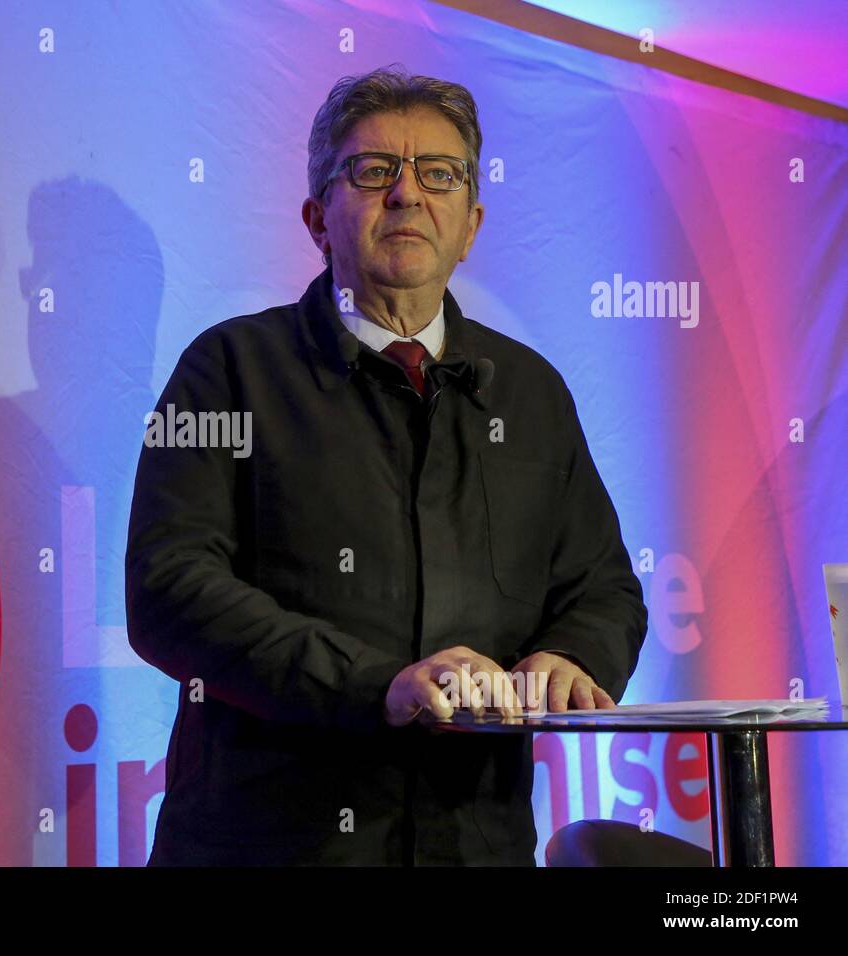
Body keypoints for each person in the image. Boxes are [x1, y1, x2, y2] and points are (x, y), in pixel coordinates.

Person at [124, 66, 647, 866]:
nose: (408, 194)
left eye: (440, 175)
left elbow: (603, 586)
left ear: (471, 224)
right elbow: (168, 589)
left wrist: (570, 656)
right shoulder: (227, 368)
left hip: (476, 843)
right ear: (317, 218)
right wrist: (382, 686)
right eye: (374, 172)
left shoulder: (533, 392)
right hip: (268, 845)